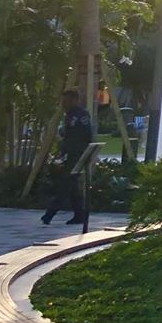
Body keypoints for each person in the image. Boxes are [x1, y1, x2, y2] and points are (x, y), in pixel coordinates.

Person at [41, 89, 93, 226]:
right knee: (73, 186)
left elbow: (86, 134)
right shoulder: (69, 115)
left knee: (66, 184)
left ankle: (49, 214)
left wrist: (83, 153)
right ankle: (79, 214)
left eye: (68, 100)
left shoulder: (81, 115)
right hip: (69, 155)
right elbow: (68, 134)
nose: (65, 103)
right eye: (64, 100)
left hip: (77, 154)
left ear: (75, 100)